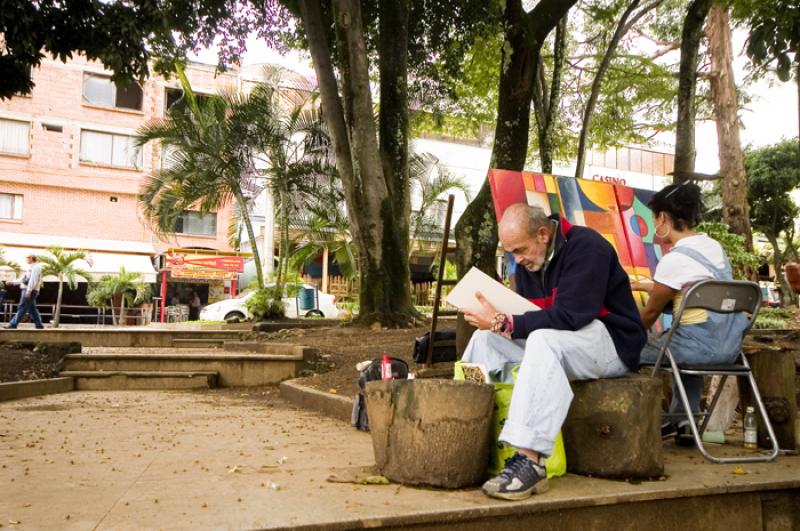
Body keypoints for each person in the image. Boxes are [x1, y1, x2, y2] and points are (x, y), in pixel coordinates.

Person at [461, 203, 646, 501]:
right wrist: (498, 321)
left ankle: (529, 460)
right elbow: (531, 316)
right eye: (511, 253)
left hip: (610, 341)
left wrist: (504, 321)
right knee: (485, 340)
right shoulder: (530, 262)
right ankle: (469, 434)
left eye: (520, 250)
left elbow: (572, 316)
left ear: (543, 234)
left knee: (543, 341)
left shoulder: (588, 248)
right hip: (565, 340)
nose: (517, 260)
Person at [632, 183, 748, 446]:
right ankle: (684, 421)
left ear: (663, 218)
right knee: (684, 341)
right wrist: (648, 285)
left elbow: (650, 312)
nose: (655, 226)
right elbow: (697, 285)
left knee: (629, 350)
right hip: (729, 349)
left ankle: (644, 420)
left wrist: (625, 334)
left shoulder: (674, 259)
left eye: (654, 220)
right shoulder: (714, 248)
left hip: (695, 349)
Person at [5, 254, 45, 329]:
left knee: (22, 306)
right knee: (32, 308)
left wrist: (29, 290)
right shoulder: (31, 267)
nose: (26, 260)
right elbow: (24, 279)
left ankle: (13, 324)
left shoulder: (36, 267)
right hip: (28, 289)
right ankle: (39, 324)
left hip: (30, 290)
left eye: (27, 258)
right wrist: (13, 282)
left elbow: (33, 280)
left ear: (31, 258)